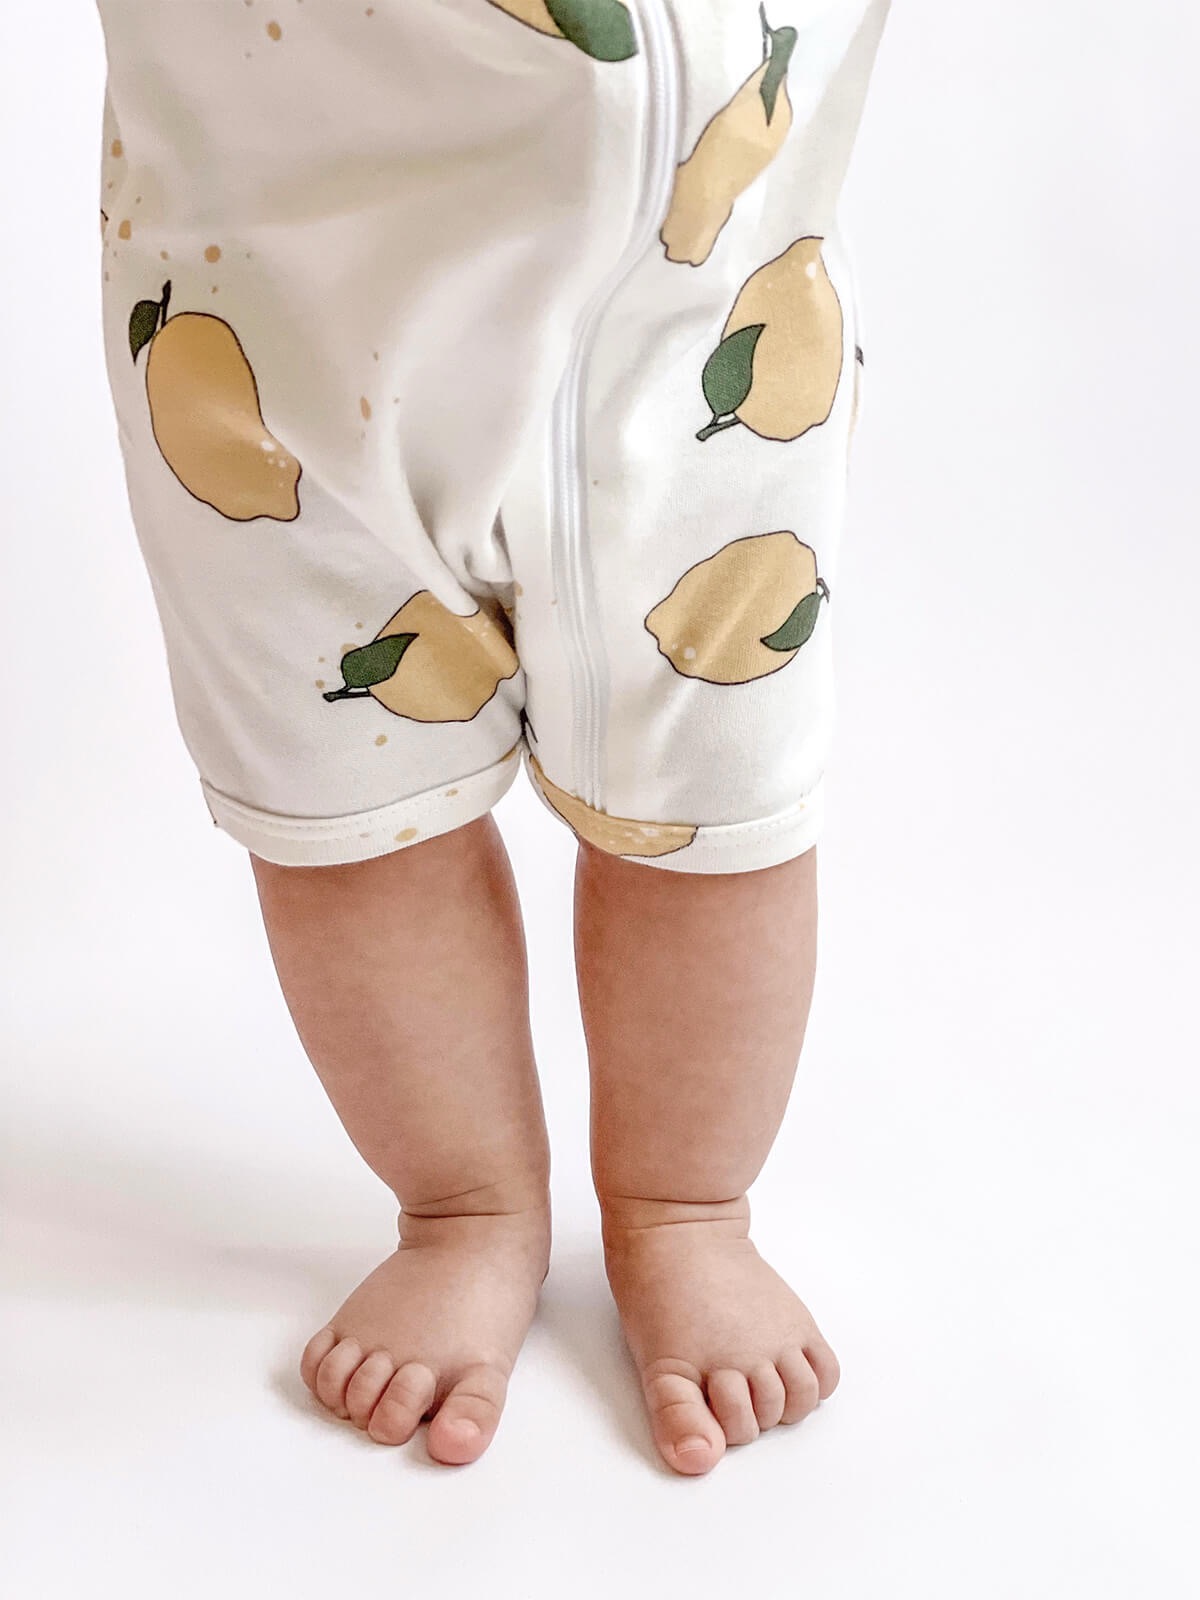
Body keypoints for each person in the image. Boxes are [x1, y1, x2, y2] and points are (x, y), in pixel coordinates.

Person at [93, 0, 891, 1476]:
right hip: (273, 313)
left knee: (712, 797)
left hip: (701, 304)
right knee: (343, 804)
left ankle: (686, 1204)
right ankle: (461, 1204)